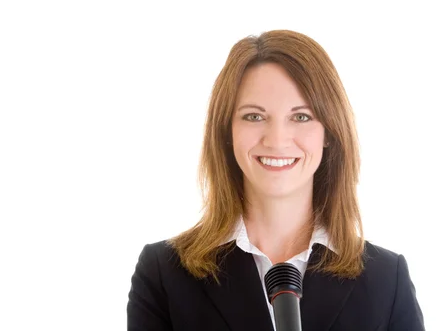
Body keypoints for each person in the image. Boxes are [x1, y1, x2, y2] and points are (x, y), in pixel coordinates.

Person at [127, 30, 425, 330]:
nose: (277, 140)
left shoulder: (387, 280)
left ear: (329, 133)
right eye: (254, 116)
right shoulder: (164, 274)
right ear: (227, 132)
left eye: (301, 117)